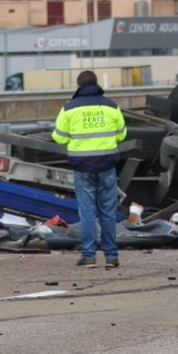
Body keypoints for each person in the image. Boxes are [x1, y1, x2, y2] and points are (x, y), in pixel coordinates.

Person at [53, 70, 128, 268]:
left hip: (83, 167)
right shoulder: (112, 106)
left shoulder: (69, 108)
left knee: (87, 213)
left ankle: (89, 256)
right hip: (107, 166)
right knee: (108, 213)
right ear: (96, 84)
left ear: (78, 86)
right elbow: (121, 134)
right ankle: (111, 257)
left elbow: (59, 137)